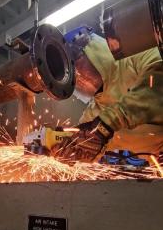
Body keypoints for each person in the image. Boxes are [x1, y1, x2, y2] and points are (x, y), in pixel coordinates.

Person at [52, 26, 163, 164]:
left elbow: (156, 87)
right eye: (71, 77)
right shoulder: (92, 115)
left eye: (77, 64)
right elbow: (83, 147)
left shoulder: (135, 53)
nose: (78, 77)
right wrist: (65, 150)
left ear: (91, 49)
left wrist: (106, 125)